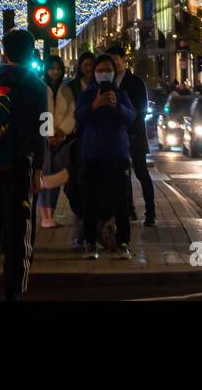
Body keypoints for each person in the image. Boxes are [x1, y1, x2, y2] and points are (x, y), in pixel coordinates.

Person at [0, 29, 49, 301]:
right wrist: (38, 167)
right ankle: (13, 288)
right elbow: (43, 129)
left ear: (4, 52)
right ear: (31, 53)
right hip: (18, 165)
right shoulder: (36, 86)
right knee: (18, 230)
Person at [74, 54, 135, 259]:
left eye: (107, 70)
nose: (103, 74)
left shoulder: (121, 93)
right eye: (99, 70)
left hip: (117, 153)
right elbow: (79, 118)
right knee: (90, 199)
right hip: (92, 153)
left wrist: (116, 105)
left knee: (121, 201)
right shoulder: (87, 94)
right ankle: (90, 243)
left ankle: (123, 243)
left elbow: (131, 117)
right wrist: (95, 105)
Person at [109, 45, 155, 226]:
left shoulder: (135, 82)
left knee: (141, 173)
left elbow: (141, 110)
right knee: (122, 175)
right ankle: (129, 210)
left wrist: (130, 127)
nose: (113, 65)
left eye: (116, 60)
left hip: (134, 135)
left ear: (123, 60)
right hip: (116, 137)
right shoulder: (109, 82)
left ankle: (150, 212)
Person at [37, 54, 74, 228]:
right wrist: (48, 134)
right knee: (44, 175)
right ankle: (45, 216)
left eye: (58, 69)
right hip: (43, 140)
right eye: (52, 68)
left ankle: (50, 214)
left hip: (61, 139)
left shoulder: (66, 89)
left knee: (56, 177)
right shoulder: (40, 88)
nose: (55, 72)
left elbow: (71, 113)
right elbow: (40, 111)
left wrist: (60, 132)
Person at [64, 53, 95, 246]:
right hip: (76, 140)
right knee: (76, 186)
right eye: (85, 65)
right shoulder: (71, 87)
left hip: (96, 140)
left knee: (92, 188)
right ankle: (80, 232)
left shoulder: (101, 88)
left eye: (92, 65)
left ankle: (91, 233)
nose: (89, 68)